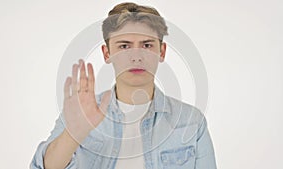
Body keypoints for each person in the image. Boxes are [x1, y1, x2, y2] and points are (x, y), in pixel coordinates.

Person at [31, 2, 217, 169]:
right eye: (124, 46)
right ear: (107, 53)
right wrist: (74, 134)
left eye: (146, 45)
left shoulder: (191, 122)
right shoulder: (80, 113)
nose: (136, 56)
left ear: (162, 52)